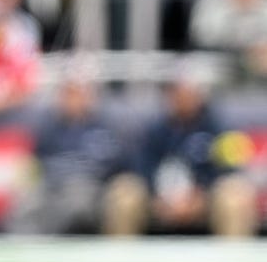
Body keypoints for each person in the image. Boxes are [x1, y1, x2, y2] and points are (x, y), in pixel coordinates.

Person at [103, 67, 258, 237]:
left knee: (234, 193)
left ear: (200, 95)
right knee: (124, 191)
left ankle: (233, 259)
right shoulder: (156, 129)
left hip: (204, 199)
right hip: (159, 199)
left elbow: (229, 169)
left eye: (188, 92)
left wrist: (200, 195)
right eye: (177, 92)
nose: (183, 98)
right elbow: (141, 167)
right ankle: (120, 258)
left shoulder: (218, 128)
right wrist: (159, 197)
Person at [5, 71, 126, 235]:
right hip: (52, 186)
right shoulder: (49, 126)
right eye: (70, 94)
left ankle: (50, 243)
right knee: (29, 203)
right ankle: (25, 251)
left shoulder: (105, 126)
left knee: (77, 201)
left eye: (79, 94)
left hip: (89, 187)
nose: (74, 100)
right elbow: (36, 160)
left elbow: (115, 166)